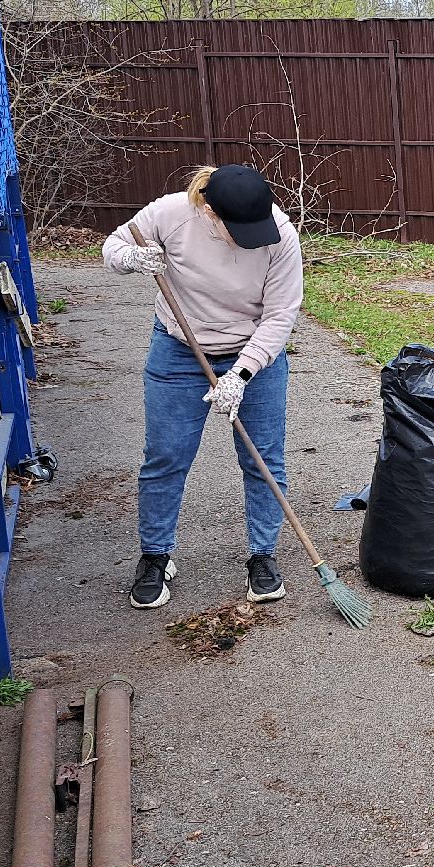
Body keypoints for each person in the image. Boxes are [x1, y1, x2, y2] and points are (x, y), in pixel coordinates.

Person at [101, 164, 303, 610]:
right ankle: (155, 555)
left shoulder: (281, 235)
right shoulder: (172, 213)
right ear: (210, 212)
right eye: (240, 231)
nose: (251, 238)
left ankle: (263, 555)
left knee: (263, 458)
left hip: (253, 351)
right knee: (166, 457)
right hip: (179, 350)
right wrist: (131, 258)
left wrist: (242, 373)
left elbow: (280, 315)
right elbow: (113, 246)